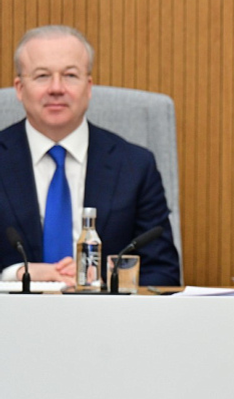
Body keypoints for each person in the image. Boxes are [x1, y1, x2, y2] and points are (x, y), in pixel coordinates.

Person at [0, 25, 181, 287]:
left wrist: (109, 279)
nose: (56, 88)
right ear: (19, 88)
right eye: (42, 76)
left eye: (70, 75)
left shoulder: (135, 166)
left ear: (88, 86)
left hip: (107, 312)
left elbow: (163, 273)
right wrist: (15, 275)